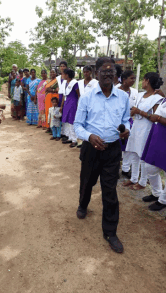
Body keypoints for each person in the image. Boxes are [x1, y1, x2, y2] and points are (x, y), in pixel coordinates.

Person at [74, 57, 130, 253]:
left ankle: (110, 232)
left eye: (112, 72)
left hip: (112, 150)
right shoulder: (87, 97)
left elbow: (126, 120)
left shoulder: (123, 97)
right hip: (91, 149)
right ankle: (83, 204)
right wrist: (89, 136)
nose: (108, 75)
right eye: (104, 72)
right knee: (87, 182)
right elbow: (77, 125)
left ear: (115, 75)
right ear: (96, 74)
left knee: (110, 191)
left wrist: (126, 129)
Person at [123, 72, 163, 190]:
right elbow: (133, 111)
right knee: (134, 153)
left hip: (147, 129)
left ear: (148, 81)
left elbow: (155, 117)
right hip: (136, 126)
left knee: (142, 156)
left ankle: (143, 182)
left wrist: (139, 112)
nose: (142, 82)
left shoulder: (157, 99)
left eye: (144, 80)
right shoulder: (140, 95)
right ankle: (134, 178)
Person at [141, 96, 166, 211]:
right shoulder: (163, 100)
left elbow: (159, 118)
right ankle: (156, 193)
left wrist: (159, 119)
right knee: (150, 166)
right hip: (158, 136)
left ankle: (163, 200)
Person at [118, 70, 138, 179]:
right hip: (117, 121)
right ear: (124, 80)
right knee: (117, 145)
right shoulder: (116, 91)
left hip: (130, 121)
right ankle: (115, 168)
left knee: (128, 146)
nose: (133, 81)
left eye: (134, 78)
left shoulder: (134, 92)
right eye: (131, 78)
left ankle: (125, 169)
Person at [60, 68, 80, 148]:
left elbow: (78, 94)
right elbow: (64, 95)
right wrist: (62, 106)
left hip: (73, 103)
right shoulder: (65, 83)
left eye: (63, 74)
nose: (62, 75)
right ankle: (70, 137)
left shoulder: (74, 83)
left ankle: (74, 140)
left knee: (72, 121)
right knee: (67, 121)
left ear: (67, 75)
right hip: (66, 103)